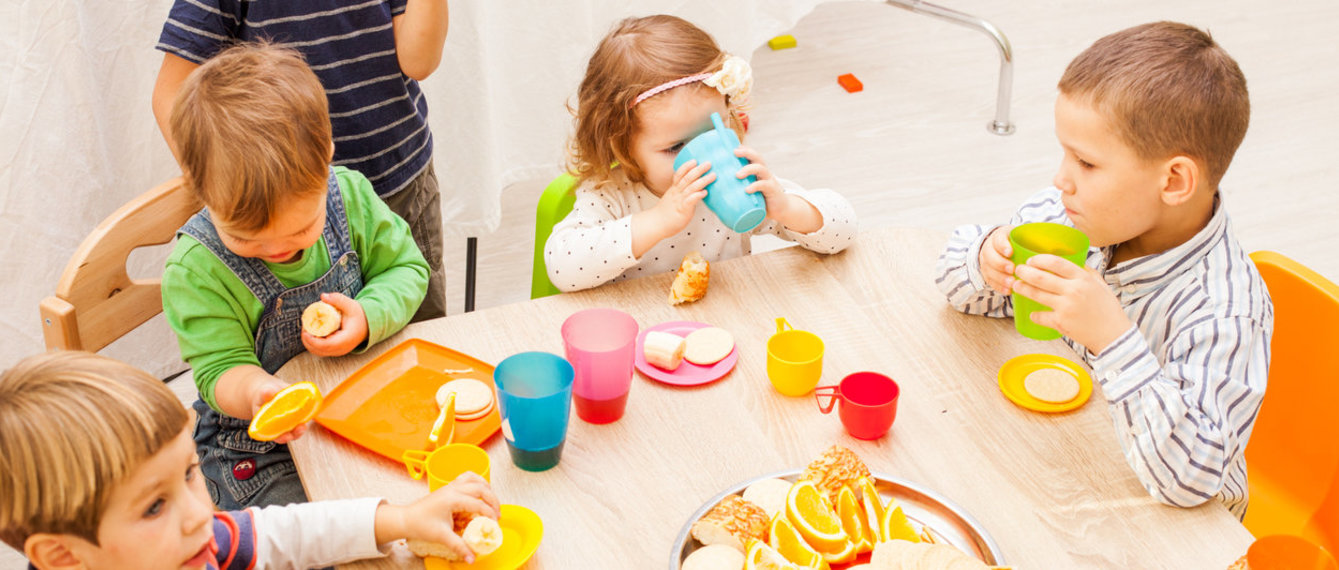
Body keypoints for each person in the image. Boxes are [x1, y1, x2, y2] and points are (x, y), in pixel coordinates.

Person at [934, 21, 1272, 518]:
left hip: (1167, 527)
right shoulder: (1069, 215)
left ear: (1175, 181)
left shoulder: (1225, 313)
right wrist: (988, 260)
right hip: (1068, 464)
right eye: (1064, 153)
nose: (1060, 179)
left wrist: (1113, 339)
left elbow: (1193, 479)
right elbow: (955, 288)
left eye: (1086, 164)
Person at [161, 43, 429, 510]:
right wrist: (255, 391)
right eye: (246, 239)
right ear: (200, 190)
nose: (278, 249)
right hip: (256, 445)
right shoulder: (196, 270)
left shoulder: (352, 198)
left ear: (326, 159)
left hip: (359, 400)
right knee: (306, 539)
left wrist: (367, 314)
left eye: (303, 229)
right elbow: (217, 368)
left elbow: (407, 269)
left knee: (418, 499)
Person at [0, 351, 499, 569]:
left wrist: (403, 518)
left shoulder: (194, 544)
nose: (202, 513)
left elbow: (284, 535)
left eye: (191, 473)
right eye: (154, 507)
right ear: (63, 557)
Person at [152, 0, 449, 322]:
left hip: (398, 184)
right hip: (275, 215)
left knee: (412, 318)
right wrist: (222, 187)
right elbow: (172, 92)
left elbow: (418, 62)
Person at [545, 15, 857, 292]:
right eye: (677, 147)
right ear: (622, 146)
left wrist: (787, 208)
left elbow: (844, 231)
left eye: (715, 132)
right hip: (642, 336)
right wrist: (658, 220)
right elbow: (562, 268)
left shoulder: (739, 180)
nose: (704, 158)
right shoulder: (612, 194)